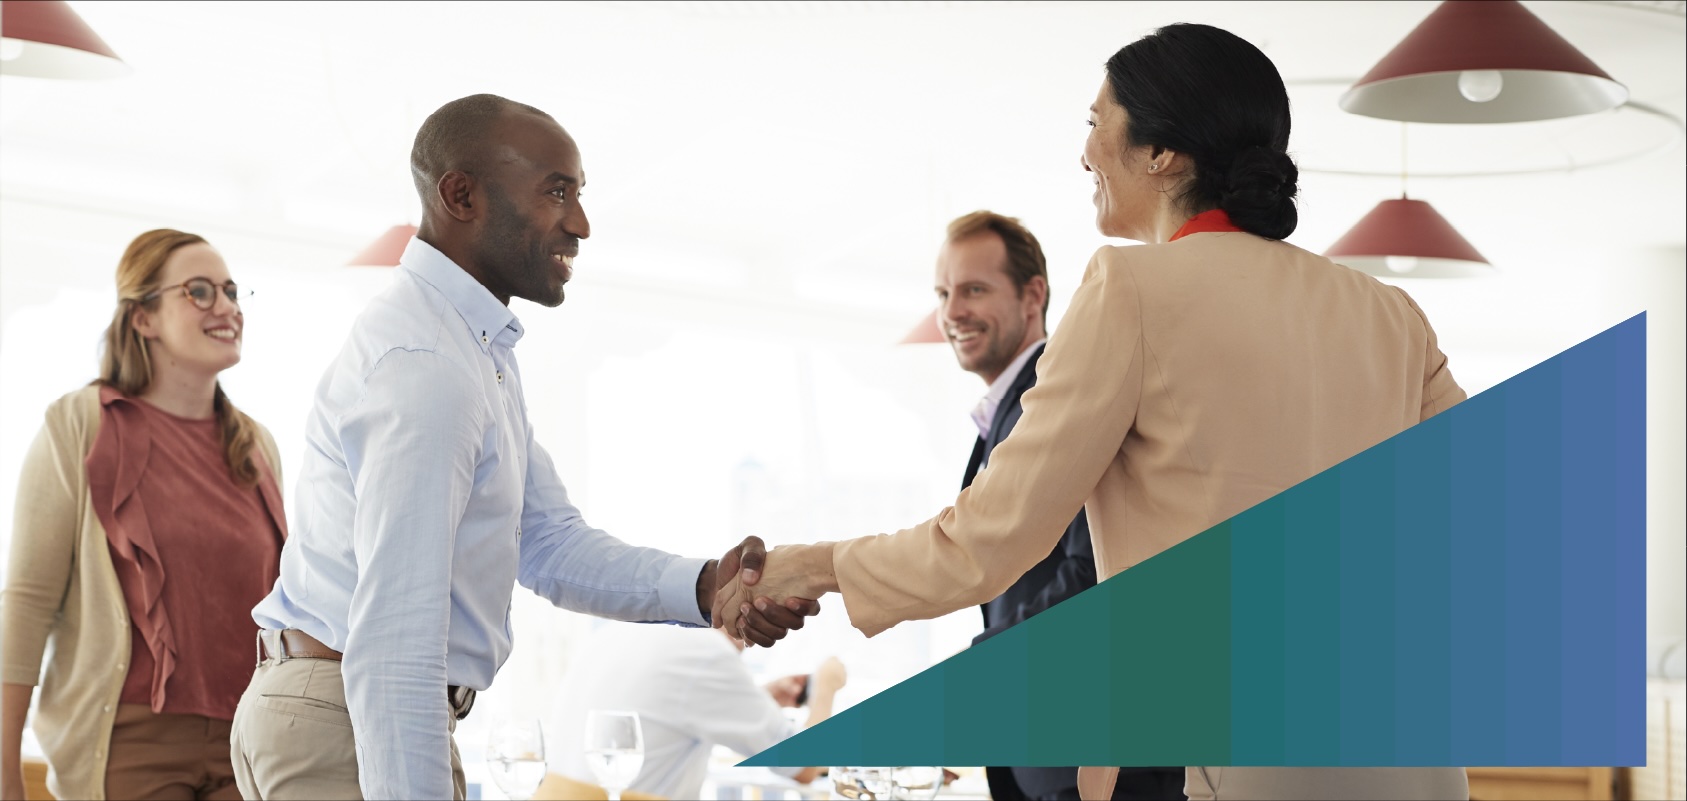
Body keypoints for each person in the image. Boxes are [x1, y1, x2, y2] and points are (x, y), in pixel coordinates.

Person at [715, 23, 1470, 801]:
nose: (1084, 152)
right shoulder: (1389, 313)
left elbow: (986, 540)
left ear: (1161, 153)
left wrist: (811, 565)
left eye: (1094, 122)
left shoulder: (1130, 289)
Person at [229, 93, 815, 801]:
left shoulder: (471, 351)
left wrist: (705, 586)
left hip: (345, 709)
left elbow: (548, 542)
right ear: (460, 196)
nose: (581, 223)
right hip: (349, 713)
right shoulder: (429, 365)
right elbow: (395, 639)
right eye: (555, 192)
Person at [1, 230, 287, 801]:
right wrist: (6, 769)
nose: (227, 307)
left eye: (231, 291)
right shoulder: (79, 426)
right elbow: (29, 600)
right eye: (199, 292)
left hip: (252, 742)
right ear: (143, 318)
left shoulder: (258, 445)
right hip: (131, 745)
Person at [932, 210, 1184, 801]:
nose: (952, 312)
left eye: (973, 289)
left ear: (1033, 295)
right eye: (944, 293)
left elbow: (1093, 567)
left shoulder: (1054, 400)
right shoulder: (1011, 410)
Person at [549, 623, 846, 799]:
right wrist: (826, 686)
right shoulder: (709, 654)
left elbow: (669, 711)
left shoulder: (618, 632)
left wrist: (759, 696)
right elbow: (804, 766)